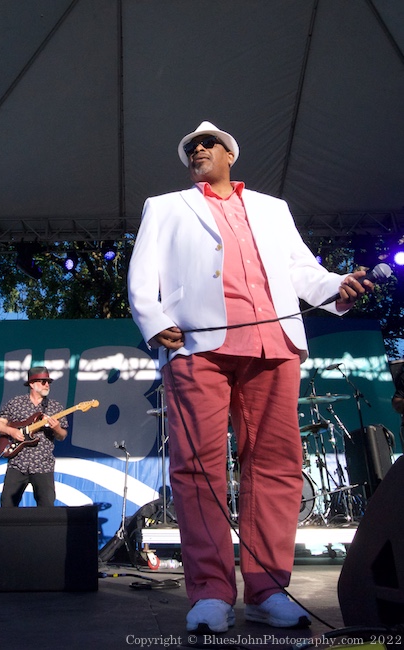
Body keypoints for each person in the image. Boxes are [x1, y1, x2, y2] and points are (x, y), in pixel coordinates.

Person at [127, 122, 374, 633]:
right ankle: (212, 592)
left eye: (207, 144)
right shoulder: (166, 206)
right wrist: (153, 322)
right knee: (198, 470)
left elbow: (303, 271)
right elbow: (141, 272)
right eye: (191, 146)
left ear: (229, 154)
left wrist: (337, 289)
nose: (197, 149)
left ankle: (267, 588)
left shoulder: (271, 208)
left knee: (278, 465)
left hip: (273, 342)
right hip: (198, 344)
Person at [0, 366, 68, 507]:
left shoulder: (54, 407)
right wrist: (11, 431)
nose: (47, 385)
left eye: (48, 382)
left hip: (43, 464)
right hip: (17, 462)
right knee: (7, 505)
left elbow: (62, 435)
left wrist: (57, 428)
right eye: (43, 381)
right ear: (32, 384)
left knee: (46, 507)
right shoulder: (16, 403)